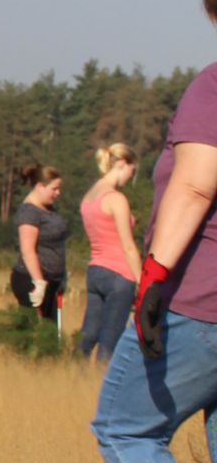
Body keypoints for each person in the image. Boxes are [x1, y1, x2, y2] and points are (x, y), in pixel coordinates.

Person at [91, 0, 217, 463]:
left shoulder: (213, 86)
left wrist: (154, 276)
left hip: (201, 302)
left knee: (126, 429)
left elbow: (195, 188)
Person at [77, 144, 141, 364]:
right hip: (119, 276)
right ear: (122, 164)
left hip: (95, 272)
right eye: (132, 172)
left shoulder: (89, 197)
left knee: (87, 337)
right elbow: (128, 246)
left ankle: (72, 379)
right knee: (109, 343)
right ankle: (101, 389)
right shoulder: (116, 199)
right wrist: (143, 282)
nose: (131, 179)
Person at [9, 164, 67, 325]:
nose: (58, 193)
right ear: (40, 186)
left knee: (50, 331)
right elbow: (28, 251)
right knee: (33, 330)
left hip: (52, 282)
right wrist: (39, 283)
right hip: (31, 281)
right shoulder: (29, 212)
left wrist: (61, 276)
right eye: (54, 189)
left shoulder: (48, 209)